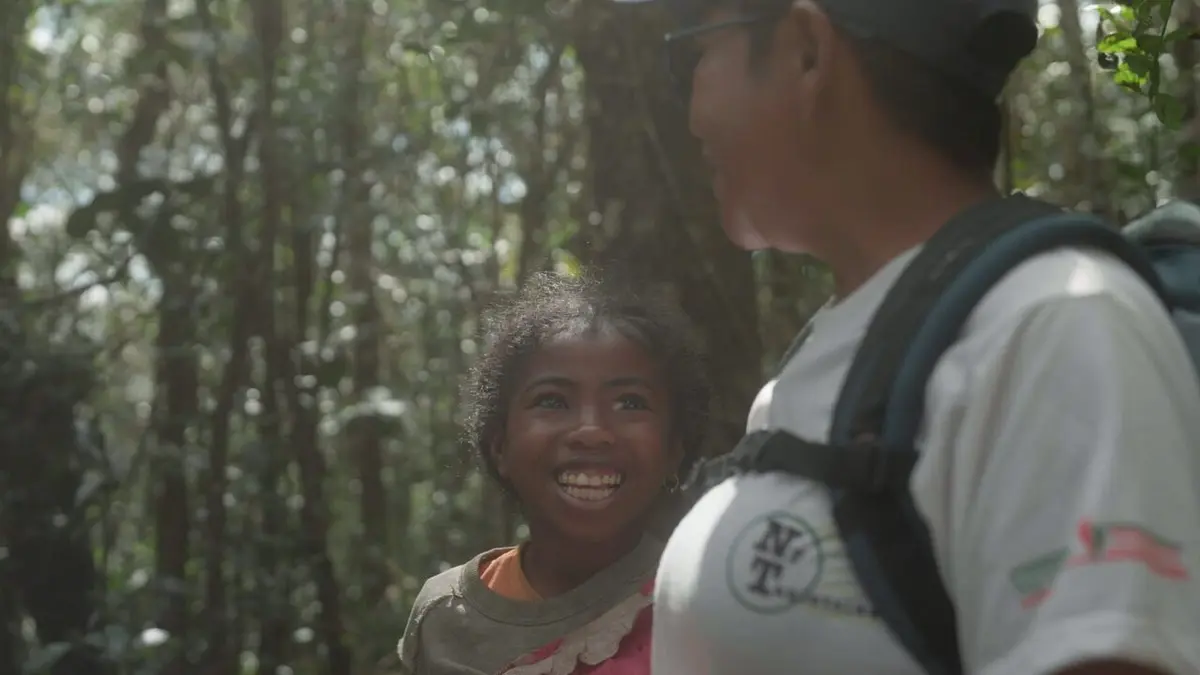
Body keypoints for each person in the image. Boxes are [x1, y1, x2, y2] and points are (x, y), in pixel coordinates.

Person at [611, 0, 1200, 674]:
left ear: (806, 49)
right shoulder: (842, 345)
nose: (690, 111)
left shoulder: (1053, 323)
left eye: (696, 54)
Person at [396, 272, 710, 675]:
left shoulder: (704, 600)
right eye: (553, 401)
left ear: (673, 451)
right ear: (500, 448)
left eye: (630, 403)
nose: (591, 432)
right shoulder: (444, 615)